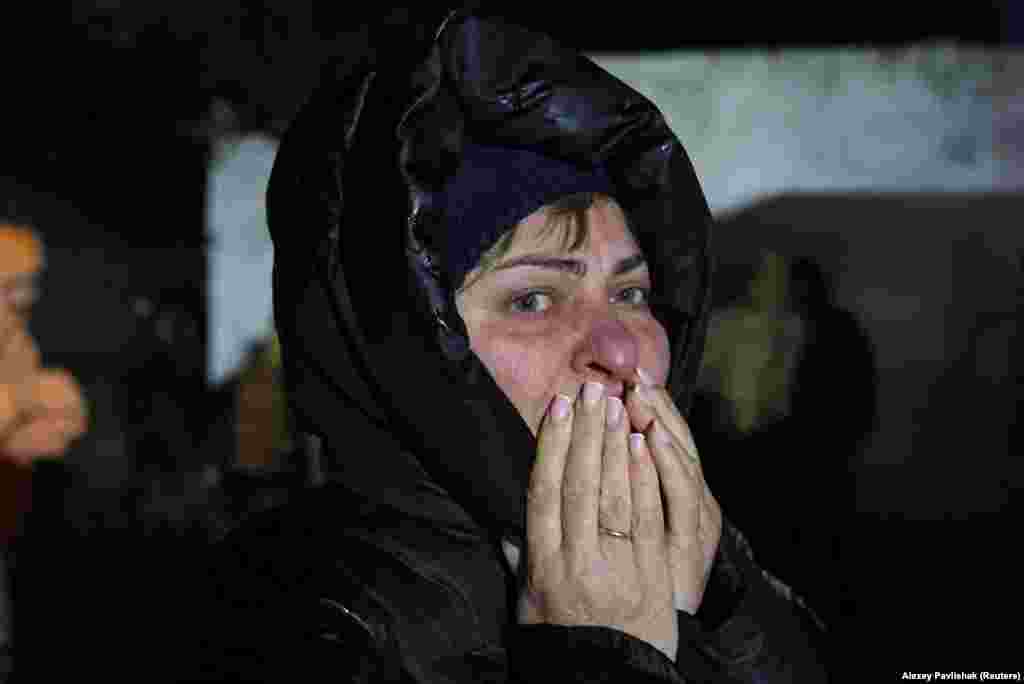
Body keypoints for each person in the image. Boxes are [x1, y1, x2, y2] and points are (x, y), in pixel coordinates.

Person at [202, 8, 829, 682]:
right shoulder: (303, 630)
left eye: (633, 294)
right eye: (532, 300)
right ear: (404, 349)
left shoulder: (719, 577)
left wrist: (725, 616)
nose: (622, 353)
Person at [0, 223, 88, 682]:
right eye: (12, 283)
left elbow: (62, 419)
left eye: (30, 282)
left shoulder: (22, 342)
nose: (24, 296)